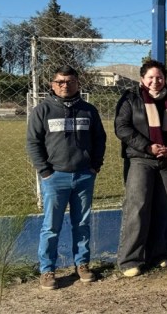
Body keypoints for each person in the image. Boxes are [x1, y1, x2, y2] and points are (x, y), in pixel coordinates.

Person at [25, 66, 106, 290]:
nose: (64, 85)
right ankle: (47, 270)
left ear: (77, 83)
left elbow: (100, 139)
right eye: (60, 81)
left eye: (69, 81)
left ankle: (82, 264)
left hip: (83, 176)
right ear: (52, 84)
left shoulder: (89, 110)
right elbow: (33, 143)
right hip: (55, 177)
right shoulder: (42, 110)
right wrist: (45, 172)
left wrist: (94, 166)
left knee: (82, 223)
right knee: (51, 226)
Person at [114, 59, 167, 276]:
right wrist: (148, 147)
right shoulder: (131, 98)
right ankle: (130, 259)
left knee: (163, 207)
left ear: (165, 79)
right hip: (140, 159)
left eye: (159, 77)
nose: (155, 81)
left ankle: (157, 253)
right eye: (151, 77)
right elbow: (121, 128)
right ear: (142, 79)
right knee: (137, 207)